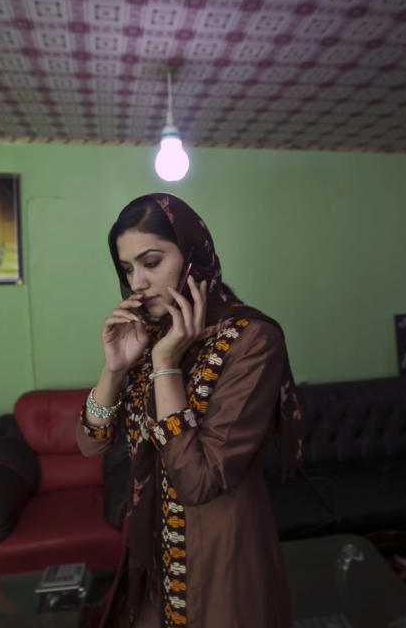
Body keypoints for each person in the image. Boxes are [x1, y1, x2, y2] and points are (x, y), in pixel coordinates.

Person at [76, 193, 303, 628]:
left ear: (193, 258)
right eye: (128, 268)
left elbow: (199, 480)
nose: (137, 282)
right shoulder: (149, 337)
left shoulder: (252, 340)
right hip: (152, 550)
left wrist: (166, 367)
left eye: (152, 261)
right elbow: (91, 443)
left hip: (221, 551)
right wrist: (114, 368)